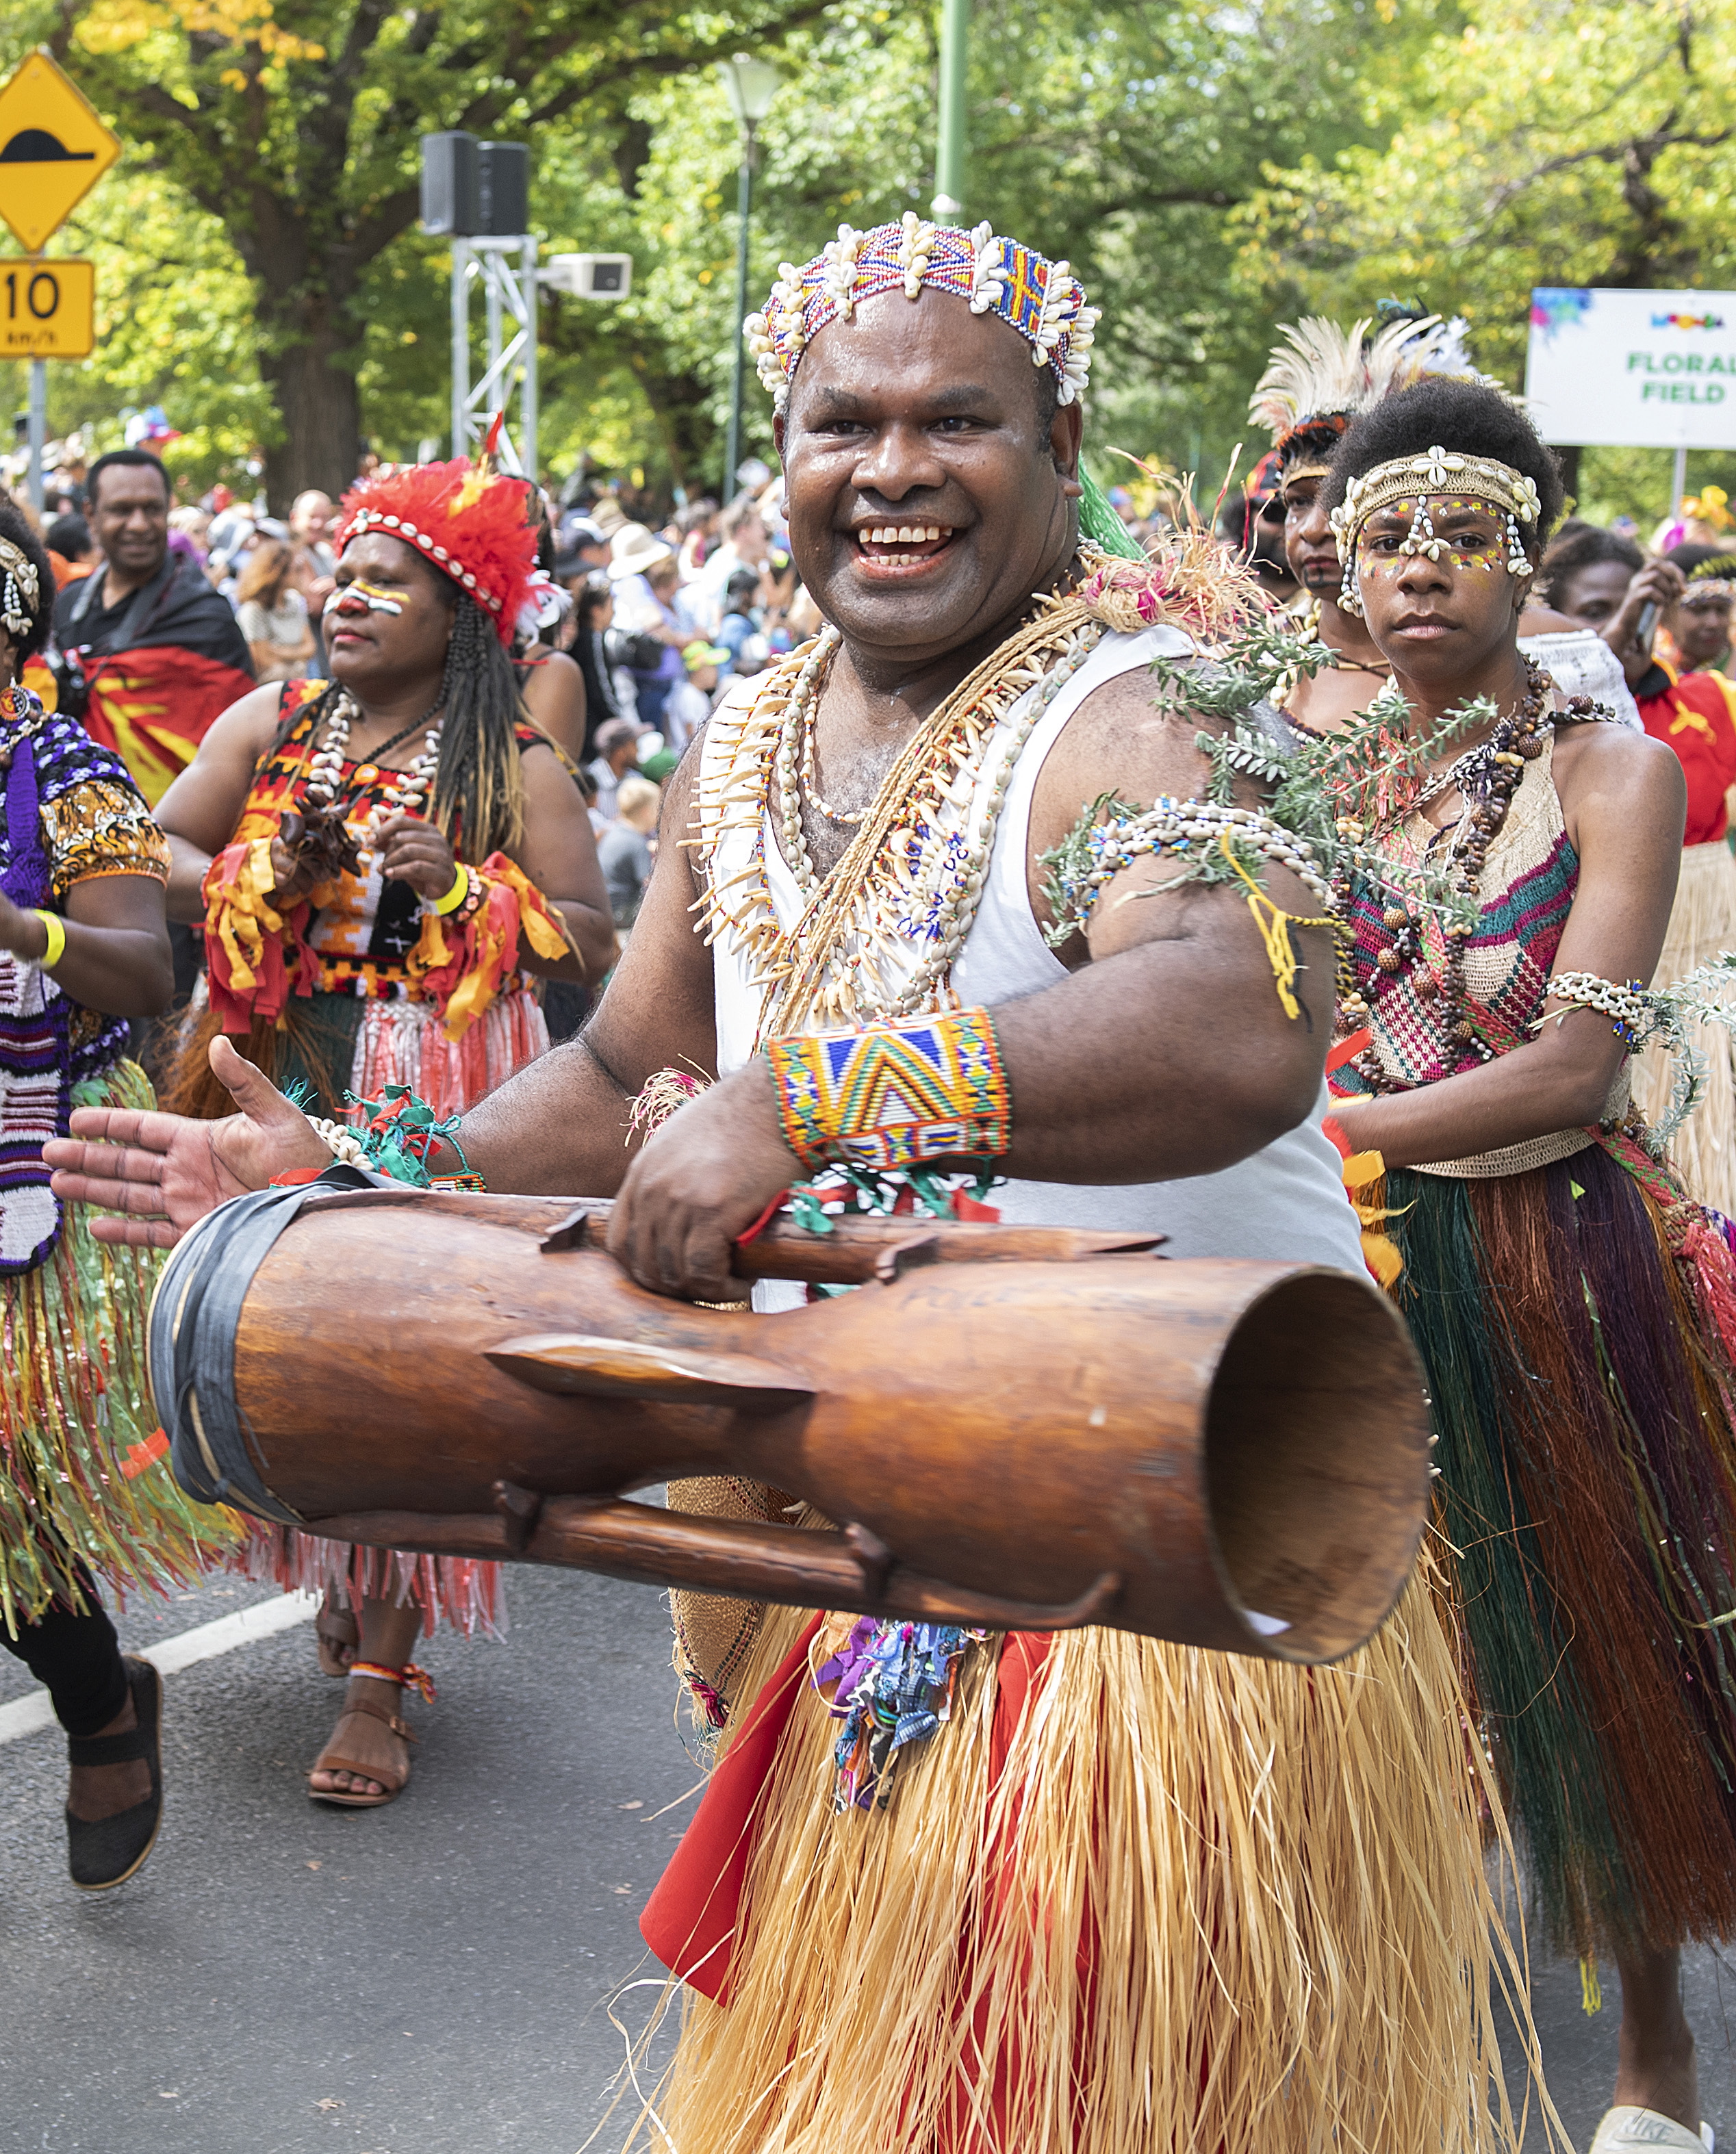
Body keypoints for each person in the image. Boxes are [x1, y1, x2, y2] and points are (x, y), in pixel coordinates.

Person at [53, 216, 1546, 2152]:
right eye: (844, 421)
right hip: (872, 1512)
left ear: (1062, 435)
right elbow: (617, 1068)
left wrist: (830, 1092)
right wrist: (361, 1171)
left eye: (960, 419)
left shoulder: (1152, 704)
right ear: (788, 450)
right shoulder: (751, 731)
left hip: (1161, 1567)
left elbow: (1233, 1013)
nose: (895, 466)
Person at [1322, 376, 1736, 2154]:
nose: (1424, 571)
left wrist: (1324, 1133)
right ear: (1346, 570)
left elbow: (1577, 1062)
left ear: (1526, 564)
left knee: (1590, 1633)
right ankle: (1379, 2006)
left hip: (1554, 1256)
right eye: (1388, 540)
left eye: (1464, 535)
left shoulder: (1613, 772)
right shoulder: (1308, 782)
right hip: (1348, 1264)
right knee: (1360, 1648)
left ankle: (1657, 2051)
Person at [149, 452, 616, 1809]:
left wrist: (469, 890)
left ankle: (382, 1675)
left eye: (383, 580)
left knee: (405, 1363)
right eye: (339, 574)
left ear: (460, 611)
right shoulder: (275, 719)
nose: (344, 597)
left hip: (444, 1090)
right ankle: (347, 1563)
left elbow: (593, 935)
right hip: (288, 1061)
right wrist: (256, 868)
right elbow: (153, 852)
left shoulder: (513, 758)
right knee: (292, 1344)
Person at [0, 498, 231, 1889]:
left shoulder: (65, 770)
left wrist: (16, 924)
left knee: (3, 1501)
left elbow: (144, 974)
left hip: (40, 1160)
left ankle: (97, 1708)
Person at [1250, 314, 1642, 734]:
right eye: (1296, 503)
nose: (1314, 529)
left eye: (1468, 540)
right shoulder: (1256, 661)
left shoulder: (1561, 655)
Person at [1541, 525, 1736, 1213]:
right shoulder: (1544, 735)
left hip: (1704, 960)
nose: (1618, 628)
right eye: (1592, 613)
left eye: (1631, 607)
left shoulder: (1708, 701)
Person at [47, 450, 255, 808]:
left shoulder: (205, 619)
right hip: (68, 818)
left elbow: (236, 750)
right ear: (90, 516)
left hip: (173, 828)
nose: (139, 524)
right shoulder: (68, 604)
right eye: (121, 510)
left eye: (152, 509)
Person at [607, 527, 687, 728]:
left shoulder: (625, 584)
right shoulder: (635, 583)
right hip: (650, 686)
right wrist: (686, 638)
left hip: (648, 684)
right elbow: (655, 624)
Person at [233, 536, 316, 684]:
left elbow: (310, 648)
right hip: (269, 692)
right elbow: (263, 662)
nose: (302, 575)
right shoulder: (253, 610)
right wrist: (298, 656)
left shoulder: (295, 601)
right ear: (279, 573)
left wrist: (278, 651)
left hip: (298, 685)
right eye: (297, 569)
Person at [1660, 544, 1736, 678]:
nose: (1713, 623)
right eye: (1699, 610)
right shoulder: (1643, 668)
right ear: (1667, 613)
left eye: (1722, 610)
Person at [567, 574, 622, 758]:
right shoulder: (593, 640)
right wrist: (618, 718)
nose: (613, 613)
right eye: (610, 607)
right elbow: (600, 686)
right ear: (596, 611)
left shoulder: (585, 637)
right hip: (594, 726)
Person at [596, 772, 659, 929]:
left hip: (607, 909)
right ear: (646, 812)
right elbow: (649, 886)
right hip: (623, 914)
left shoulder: (614, 830)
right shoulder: (636, 844)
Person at [662, 640, 725, 757]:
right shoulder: (688, 695)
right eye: (712, 667)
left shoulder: (697, 694)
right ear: (699, 670)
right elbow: (693, 734)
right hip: (688, 759)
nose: (716, 672)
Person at [585, 716, 648, 829]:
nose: (638, 750)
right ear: (620, 751)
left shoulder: (636, 778)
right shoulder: (590, 781)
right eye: (634, 744)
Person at [42, 513, 94, 588]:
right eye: (97, 546)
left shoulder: (47, 587)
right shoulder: (93, 584)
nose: (102, 553)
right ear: (81, 556)